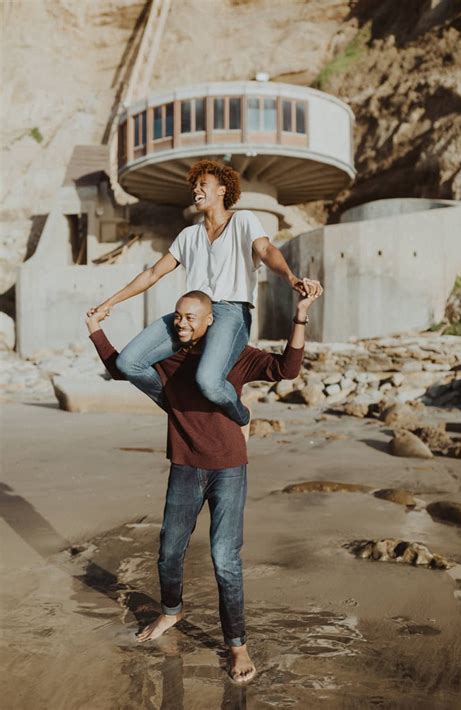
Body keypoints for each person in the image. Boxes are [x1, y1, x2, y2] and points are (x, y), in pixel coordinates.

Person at [86, 288, 319, 683]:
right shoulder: (166, 357)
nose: (181, 323)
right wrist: (96, 332)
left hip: (228, 468)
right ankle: (171, 612)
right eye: (178, 316)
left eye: (191, 317)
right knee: (168, 552)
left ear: (211, 320)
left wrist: (300, 315)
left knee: (225, 559)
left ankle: (237, 645)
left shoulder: (233, 356)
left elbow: (287, 369)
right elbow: (122, 367)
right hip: (184, 466)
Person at [87, 159, 322, 426]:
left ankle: (241, 414)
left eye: (203, 185)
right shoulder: (188, 235)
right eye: (194, 186)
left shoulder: (243, 220)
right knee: (128, 363)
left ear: (222, 190)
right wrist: (110, 302)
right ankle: (176, 404)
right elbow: (153, 273)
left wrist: (290, 277)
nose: (196, 190)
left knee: (209, 382)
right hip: (192, 313)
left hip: (231, 311)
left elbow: (267, 250)